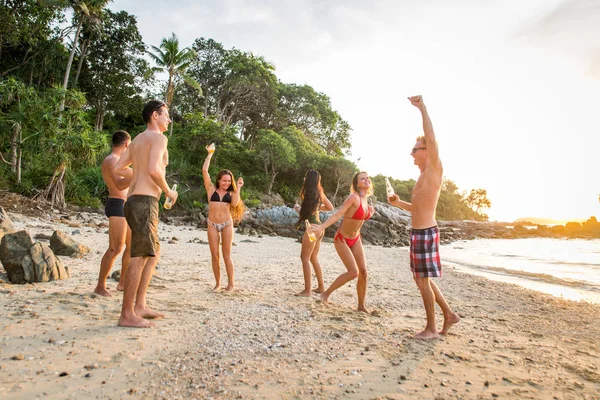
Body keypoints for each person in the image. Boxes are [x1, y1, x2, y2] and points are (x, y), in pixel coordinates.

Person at [387, 95, 460, 340]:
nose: (412, 154)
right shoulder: (420, 178)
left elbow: (431, 136)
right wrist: (399, 204)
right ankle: (448, 314)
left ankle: (431, 328)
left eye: (415, 150)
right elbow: (416, 209)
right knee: (422, 279)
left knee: (421, 280)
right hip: (418, 232)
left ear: (426, 151)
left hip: (426, 232)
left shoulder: (434, 169)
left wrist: (422, 109)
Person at [114, 99, 178, 328]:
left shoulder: (138, 140)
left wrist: (136, 175)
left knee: (153, 253)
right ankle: (127, 314)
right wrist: (168, 190)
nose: (169, 119)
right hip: (144, 202)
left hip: (133, 201)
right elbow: (153, 170)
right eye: (166, 115)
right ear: (154, 115)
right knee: (139, 256)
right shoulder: (159, 138)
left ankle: (139, 305)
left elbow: (118, 168)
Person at [311, 172, 374, 313]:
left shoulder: (366, 201)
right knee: (353, 272)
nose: (366, 179)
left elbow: (359, 218)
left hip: (356, 238)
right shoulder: (353, 198)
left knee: (363, 272)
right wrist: (321, 227)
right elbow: (338, 214)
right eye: (362, 178)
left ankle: (361, 306)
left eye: (367, 177)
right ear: (357, 184)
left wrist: (370, 212)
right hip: (342, 239)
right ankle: (325, 294)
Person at [202, 144, 244, 292]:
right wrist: (210, 154)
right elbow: (204, 170)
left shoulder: (232, 193)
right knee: (215, 256)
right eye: (224, 180)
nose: (226, 183)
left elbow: (235, 203)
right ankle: (218, 284)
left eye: (228, 181)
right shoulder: (211, 189)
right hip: (212, 224)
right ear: (219, 180)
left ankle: (231, 284)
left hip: (227, 224)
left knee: (226, 255)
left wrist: (238, 188)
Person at [94, 130, 132, 297]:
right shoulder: (111, 160)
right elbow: (119, 185)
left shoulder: (120, 162)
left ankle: (122, 283)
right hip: (117, 205)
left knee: (131, 247)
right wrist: (136, 173)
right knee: (115, 248)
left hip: (127, 206)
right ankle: (100, 286)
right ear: (126, 144)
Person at [293, 170, 334, 296]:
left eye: (305, 177)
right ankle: (321, 287)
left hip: (311, 229)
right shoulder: (319, 193)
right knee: (313, 258)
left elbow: (304, 214)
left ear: (308, 179)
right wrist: (317, 208)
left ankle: (307, 290)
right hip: (320, 229)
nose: (304, 178)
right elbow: (330, 207)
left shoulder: (307, 193)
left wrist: (297, 208)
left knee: (304, 258)